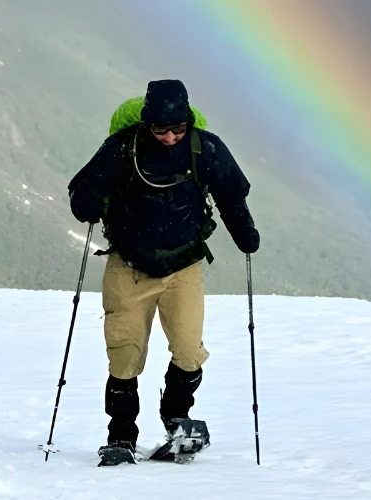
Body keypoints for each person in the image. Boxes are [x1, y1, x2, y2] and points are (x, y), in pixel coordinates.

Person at [68, 80, 260, 465]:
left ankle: (177, 419)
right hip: (128, 267)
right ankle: (121, 436)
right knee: (124, 354)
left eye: (178, 128)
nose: (170, 137)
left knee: (188, 351)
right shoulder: (122, 148)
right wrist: (88, 203)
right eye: (160, 129)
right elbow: (81, 195)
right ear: (146, 121)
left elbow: (230, 196)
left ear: (188, 120)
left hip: (183, 267)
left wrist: (246, 234)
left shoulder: (205, 147)